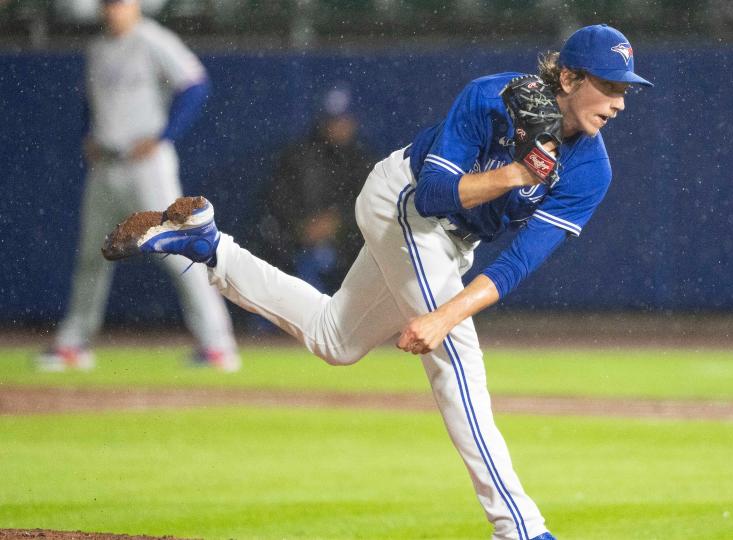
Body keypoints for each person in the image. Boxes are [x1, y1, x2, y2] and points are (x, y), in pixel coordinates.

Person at [102, 24, 652, 540]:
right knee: (458, 361)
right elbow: (434, 194)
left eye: (625, 90)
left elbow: (515, 264)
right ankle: (521, 527)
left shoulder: (591, 170)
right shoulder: (490, 98)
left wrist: (446, 311)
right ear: (568, 78)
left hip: (455, 243)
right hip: (404, 201)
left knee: (334, 339)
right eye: (608, 86)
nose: (620, 102)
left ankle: (209, 245)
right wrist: (516, 173)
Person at [36, 0, 239, 372]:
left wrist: (163, 136)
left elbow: (195, 84)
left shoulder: (152, 39)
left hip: (147, 166)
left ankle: (218, 345)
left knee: (180, 249)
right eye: (108, 4)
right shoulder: (97, 48)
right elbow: (92, 102)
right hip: (107, 165)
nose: (113, 9)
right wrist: (88, 134)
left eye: (120, 3)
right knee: (93, 254)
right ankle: (73, 343)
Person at [255, 88, 371, 294]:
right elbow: (278, 201)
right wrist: (302, 226)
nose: (338, 127)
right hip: (299, 238)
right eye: (332, 121)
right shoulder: (299, 155)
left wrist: (337, 222)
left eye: (342, 120)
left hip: (348, 241)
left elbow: (372, 206)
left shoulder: (363, 161)